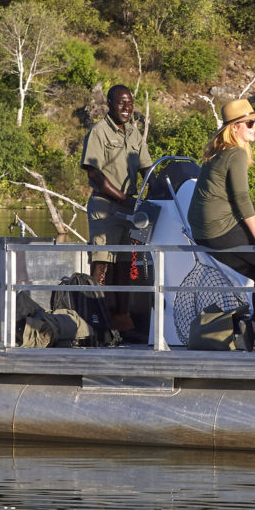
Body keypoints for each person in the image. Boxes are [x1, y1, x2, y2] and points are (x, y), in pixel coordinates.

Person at [188, 98, 255, 351]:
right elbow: (241, 198)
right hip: (219, 229)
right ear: (234, 128)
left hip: (205, 233)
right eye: (250, 122)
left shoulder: (219, 153)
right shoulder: (234, 153)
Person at [80, 84, 152, 332]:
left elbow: (147, 170)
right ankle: (97, 319)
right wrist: (122, 198)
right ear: (109, 103)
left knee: (126, 264)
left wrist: (165, 188)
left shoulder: (134, 133)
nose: (126, 107)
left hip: (131, 208)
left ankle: (122, 317)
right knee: (102, 262)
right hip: (106, 206)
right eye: (121, 102)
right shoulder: (98, 132)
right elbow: (94, 173)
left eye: (129, 103)